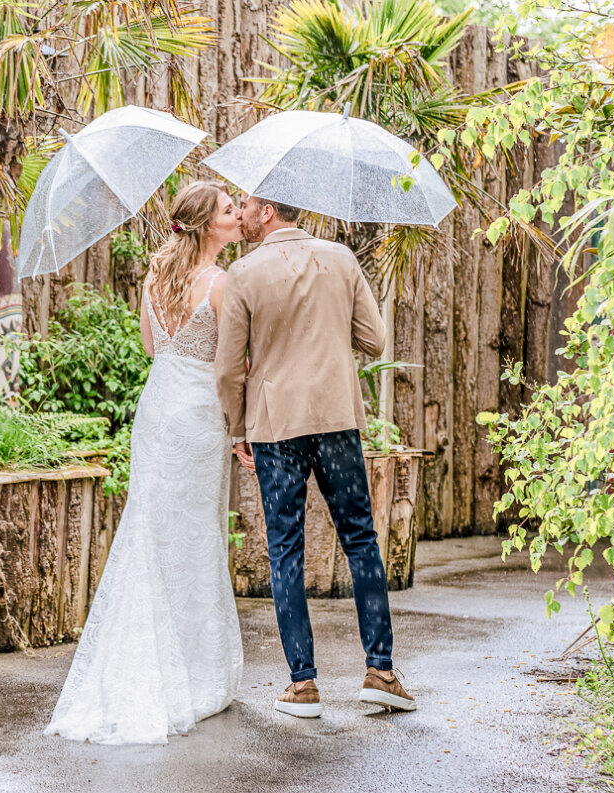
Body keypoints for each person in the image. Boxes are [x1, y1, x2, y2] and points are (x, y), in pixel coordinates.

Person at [45, 182, 245, 744]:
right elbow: (232, 362)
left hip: (158, 409)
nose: (237, 217)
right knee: (195, 536)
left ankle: (150, 658)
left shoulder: (157, 278)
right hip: (201, 414)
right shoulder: (222, 284)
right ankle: (196, 672)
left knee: (153, 531)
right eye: (229, 212)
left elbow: (153, 350)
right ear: (207, 225)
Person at [214, 194, 416, 718]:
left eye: (248, 206)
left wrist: (237, 428)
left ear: (268, 212)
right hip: (336, 421)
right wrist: (326, 330)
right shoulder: (342, 259)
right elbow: (375, 339)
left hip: (275, 427)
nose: (243, 213)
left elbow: (229, 368)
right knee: (361, 538)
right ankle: (381, 671)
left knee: (285, 549)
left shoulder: (244, 273)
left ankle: (302, 686)